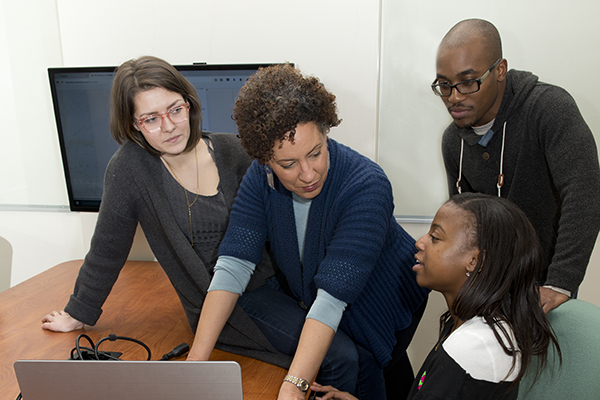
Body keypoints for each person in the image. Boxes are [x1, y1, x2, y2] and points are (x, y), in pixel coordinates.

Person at [186, 63, 430, 400]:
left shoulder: (366, 185)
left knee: (372, 366)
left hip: (385, 297)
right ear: (264, 159)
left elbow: (330, 300)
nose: (307, 173)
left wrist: (293, 386)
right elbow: (234, 265)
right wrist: (195, 364)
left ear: (325, 131)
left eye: (315, 153)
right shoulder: (260, 178)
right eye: (288, 164)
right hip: (331, 300)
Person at [40, 56, 288, 367]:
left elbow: (283, 227)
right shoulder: (131, 168)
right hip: (231, 306)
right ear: (133, 124)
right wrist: (78, 312)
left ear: (189, 104)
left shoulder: (234, 150)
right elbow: (107, 249)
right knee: (338, 355)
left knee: (345, 339)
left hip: (277, 286)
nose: (169, 126)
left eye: (175, 110)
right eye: (151, 118)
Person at [312, 192, 561, 400]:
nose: (420, 242)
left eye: (435, 237)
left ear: (475, 261)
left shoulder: (472, 345)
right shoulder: (471, 325)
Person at [432, 18, 600, 314]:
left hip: (547, 288)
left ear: (499, 70)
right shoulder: (452, 142)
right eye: (444, 85)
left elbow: (585, 192)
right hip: (489, 292)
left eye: (468, 82)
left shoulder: (548, 109)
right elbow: (466, 226)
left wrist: (560, 283)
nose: (454, 97)